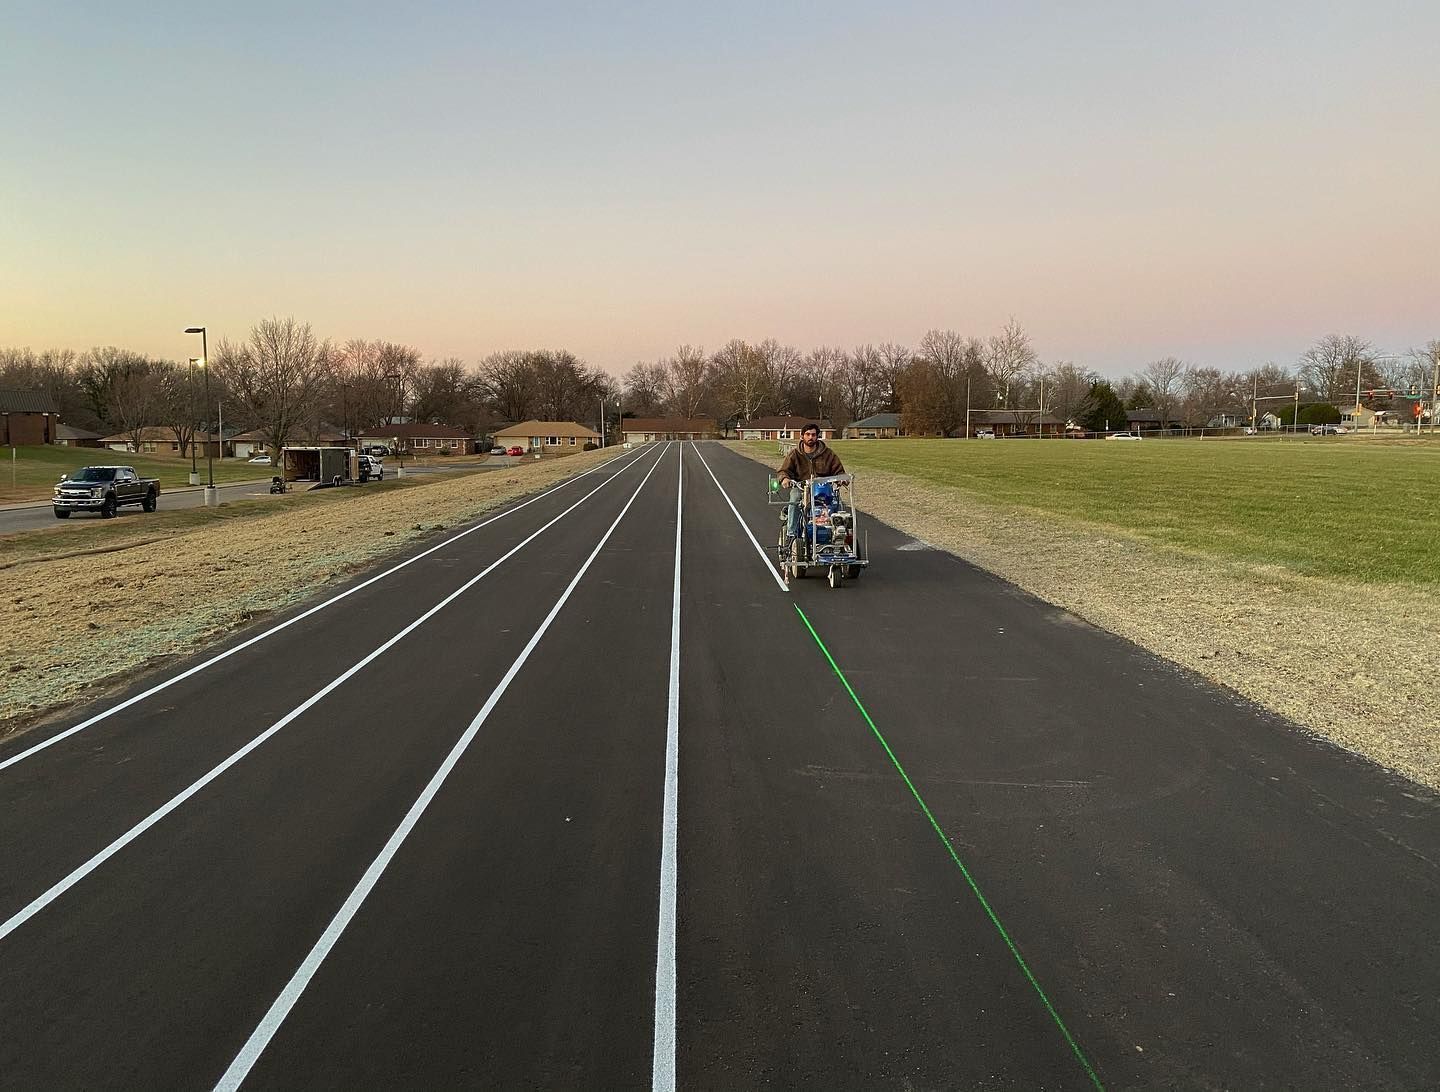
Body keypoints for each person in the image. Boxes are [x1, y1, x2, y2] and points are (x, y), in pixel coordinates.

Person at [776, 423, 845, 553]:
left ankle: (839, 534)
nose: (810, 437)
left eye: (813, 435)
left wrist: (841, 478)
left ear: (817, 436)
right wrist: (785, 479)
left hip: (823, 488)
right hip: (801, 487)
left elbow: (839, 471)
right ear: (802, 436)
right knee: (795, 499)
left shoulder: (828, 454)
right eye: (808, 434)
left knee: (837, 504)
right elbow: (783, 471)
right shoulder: (795, 454)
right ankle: (791, 534)